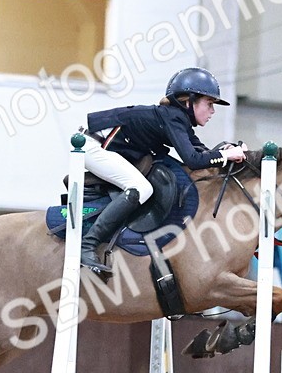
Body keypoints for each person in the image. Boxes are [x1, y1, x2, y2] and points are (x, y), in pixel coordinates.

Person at [78, 67, 248, 273]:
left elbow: (202, 152)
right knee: (141, 188)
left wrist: (226, 150)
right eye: (209, 104)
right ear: (189, 101)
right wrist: (226, 156)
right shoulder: (173, 118)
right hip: (92, 146)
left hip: (108, 147)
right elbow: (193, 160)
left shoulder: (179, 121)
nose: (213, 111)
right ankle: (87, 245)